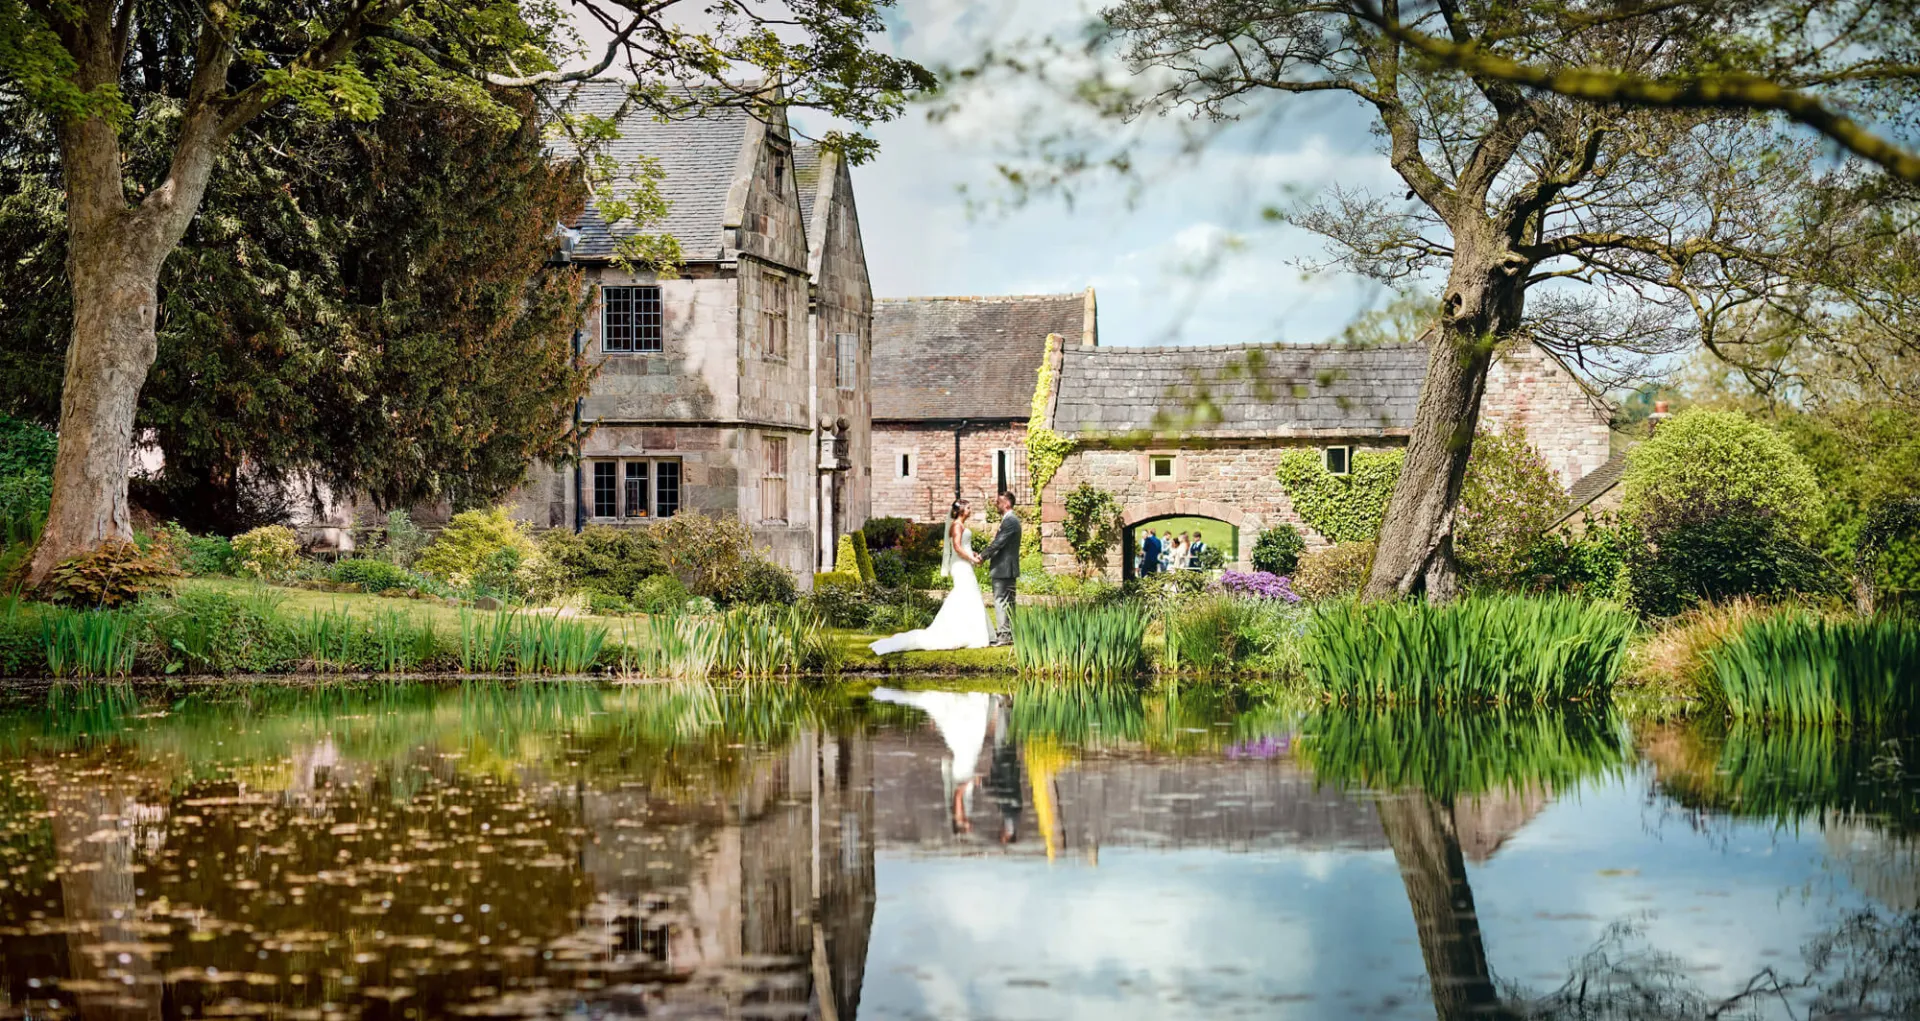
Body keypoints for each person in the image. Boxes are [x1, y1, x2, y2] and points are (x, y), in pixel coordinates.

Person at [869, 499, 992, 654]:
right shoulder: (956, 526)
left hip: (964, 564)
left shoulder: (961, 526)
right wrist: (972, 558)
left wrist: (972, 553)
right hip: (960, 566)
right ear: (961, 511)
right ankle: (966, 633)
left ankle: (970, 631)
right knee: (966, 593)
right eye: (968, 507)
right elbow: (957, 547)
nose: (971, 509)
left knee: (968, 595)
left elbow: (964, 547)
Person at [983, 491, 1022, 647]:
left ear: (1007, 504)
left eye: (998, 502)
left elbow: (999, 543)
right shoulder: (1010, 520)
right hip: (1007, 568)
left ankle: (1004, 636)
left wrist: (982, 556)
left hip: (1003, 568)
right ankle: (1010, 634)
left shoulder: (1010, 521)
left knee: (1001, 601)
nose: (996, 505)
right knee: (1008, 602)